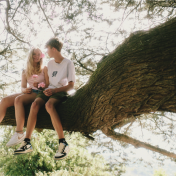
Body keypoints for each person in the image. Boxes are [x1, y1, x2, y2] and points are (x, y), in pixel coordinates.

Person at [14, 38, 75, 160]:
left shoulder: (68, 63)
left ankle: (63, 143)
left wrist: (54, 90)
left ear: (53, 48)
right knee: (35, 104)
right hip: (48, 91)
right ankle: (27, 142)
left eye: (47, 49)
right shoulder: (50, 64)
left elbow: (71, 85)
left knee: (49, 106)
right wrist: (41, 86)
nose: (45, 52)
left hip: (60, 91)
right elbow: (47, 83)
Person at [0, 48, 49, 147]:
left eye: (39, 54)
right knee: (4, 100)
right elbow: (22, 87)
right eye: (34, 54)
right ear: (31, 56)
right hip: (29, 92)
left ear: (41, 56)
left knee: (18, 100)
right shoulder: (25, 71)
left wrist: (40, 84)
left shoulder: (45, 68)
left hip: (38, 93)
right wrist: (25, 90)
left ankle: (19, 132)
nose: (36, 56)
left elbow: (48, 84)